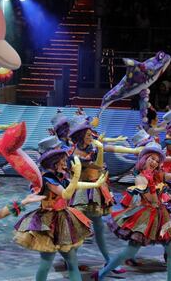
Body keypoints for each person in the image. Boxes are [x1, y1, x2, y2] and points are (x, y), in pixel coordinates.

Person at [92, 142, 171, 281]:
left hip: (162, 216)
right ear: (145, 159)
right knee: (130, 251)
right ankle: (102, 274)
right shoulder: (141, 178)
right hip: (145, 216)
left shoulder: (158, 174)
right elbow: (150, 198)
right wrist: (152, 186)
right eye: (152, 159)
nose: (154, 162)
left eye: (157, 160)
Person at [14, 136, 108, 281]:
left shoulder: (59, 176)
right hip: (47, 223)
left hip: (64, 219)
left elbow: (73, 185)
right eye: (62, 161)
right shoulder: (48, 178)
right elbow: (66, 193)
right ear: (54, 162)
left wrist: (94, 185)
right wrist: (77, 174)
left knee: (72, 262)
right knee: (46, 263)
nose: (65, 163)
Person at [68, 115, 140, 273]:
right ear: (80, 136)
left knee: (98, 228)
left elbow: (109, 148)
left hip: (94, 191)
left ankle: (107, 260)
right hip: (82, 193)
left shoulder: (88, 147)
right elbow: (98, 165)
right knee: (80, 231)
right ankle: (71, 262)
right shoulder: (76, 154)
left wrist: (133, 150)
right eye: (88, 135)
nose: (91, 136)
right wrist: (100, 149)